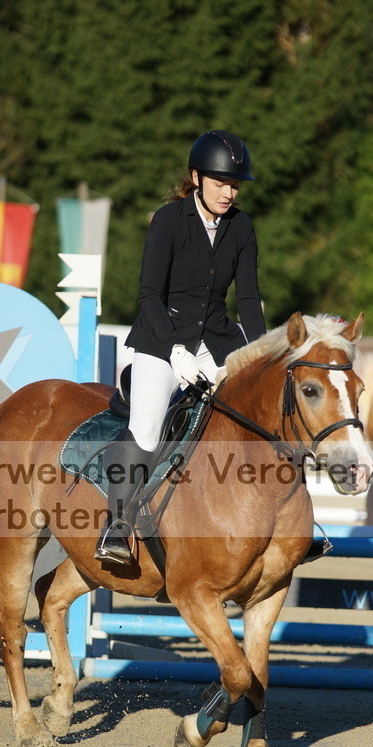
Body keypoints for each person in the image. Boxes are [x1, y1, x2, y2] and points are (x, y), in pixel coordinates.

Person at [95, 130, 267, 564]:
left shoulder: (242, 228)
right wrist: (174, 352)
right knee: (149, 425)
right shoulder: (169, 221)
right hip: (160, 341)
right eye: (220, 183)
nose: (229, 192)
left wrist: (263, 354)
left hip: (216, 339)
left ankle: (283, 521)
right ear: (196, 178)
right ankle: (117, 524)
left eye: (234, 185)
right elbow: (149, 295)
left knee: (259, 413)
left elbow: (247, 299)